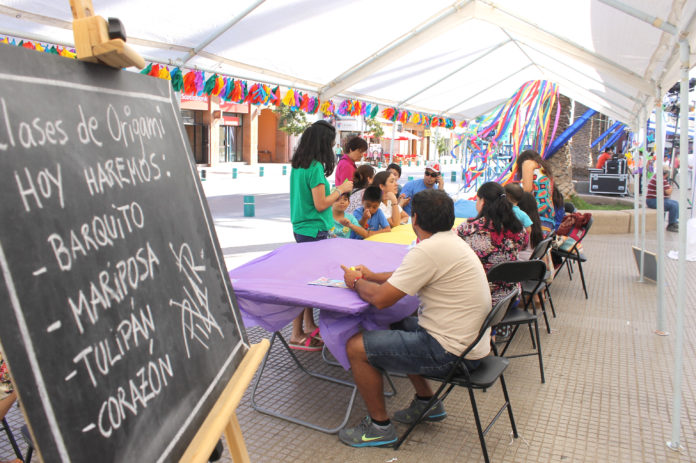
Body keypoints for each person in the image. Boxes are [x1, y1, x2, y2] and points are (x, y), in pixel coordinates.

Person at [338, 189, 492, 447]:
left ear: (415, 218)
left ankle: (379, 427)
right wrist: (374, 276)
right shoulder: (449, 241)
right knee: (395, 321)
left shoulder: (428, 250)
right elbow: (408, 273)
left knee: (355, 347)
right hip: (472, 345)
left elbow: (380, 299)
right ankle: (426, 401)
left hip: (451, 353)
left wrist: (354, 282)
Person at [290, 120, 353, 350]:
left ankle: (308, 325)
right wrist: (341, 190)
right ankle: (297, 333)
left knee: (309, 280)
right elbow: (320, 204)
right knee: (308, 284)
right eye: (331, 143)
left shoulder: (299, 165)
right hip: (314, 231)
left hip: (303, 229)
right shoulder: (315, 167)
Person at [456, 182, 528, 307]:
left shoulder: (469, 229)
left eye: (477, 200)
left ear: (483, 201)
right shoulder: (518, 228)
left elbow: (454, 252)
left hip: (480, 299)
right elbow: (523, 246)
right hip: (510, 296)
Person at [516, 149, 555, 235]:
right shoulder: (543, 169)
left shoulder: (528, 163)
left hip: (536, 211)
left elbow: (527, 189)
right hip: (547, 212)